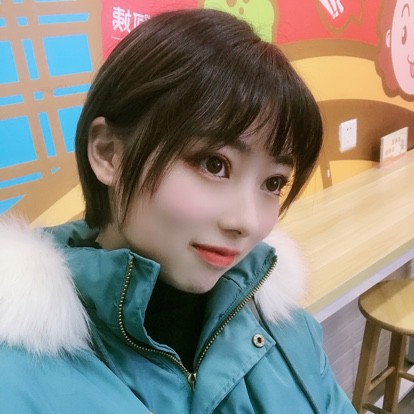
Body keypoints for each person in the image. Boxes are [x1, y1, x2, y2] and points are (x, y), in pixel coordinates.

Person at [0, 8, 356, 414]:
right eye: (213, 164)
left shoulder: (284, 326)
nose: (247, 222)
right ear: (109, 153)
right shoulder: (16, 379)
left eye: (273, 183)